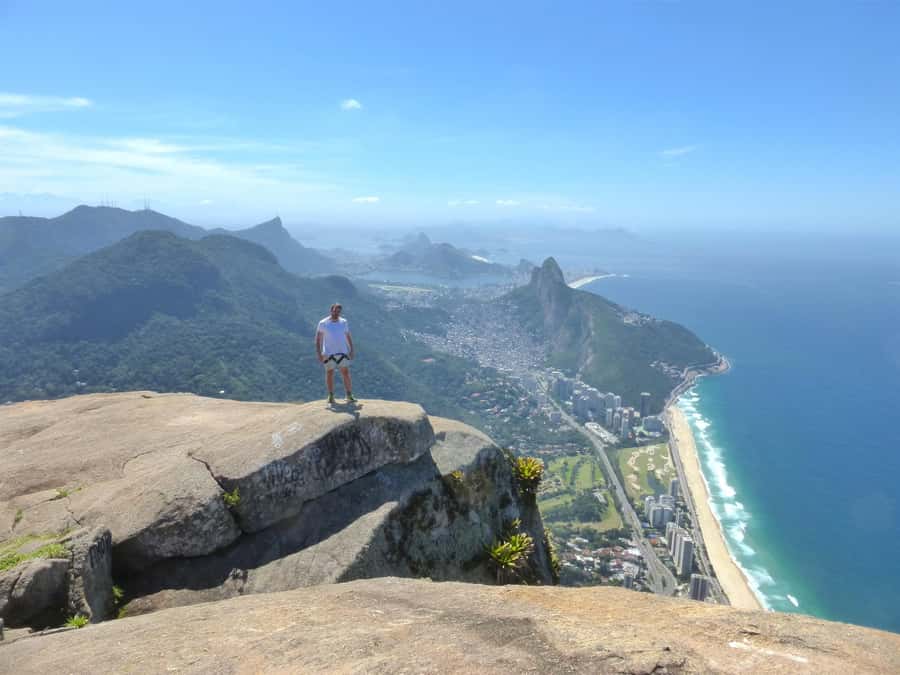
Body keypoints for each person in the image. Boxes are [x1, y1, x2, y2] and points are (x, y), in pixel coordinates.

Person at [315, 303, 355, 404]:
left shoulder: (344, 322)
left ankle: (349, 395)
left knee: (345, 373)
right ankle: (331, 395)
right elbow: (318, 339)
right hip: (328, 353)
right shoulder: (323, 323)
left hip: (343, 352)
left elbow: (348, 335)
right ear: (331, 310)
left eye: (338, 311)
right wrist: (319, 354)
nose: (336, 313)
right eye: (335, 311)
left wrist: (352, 349)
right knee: (329, 373)